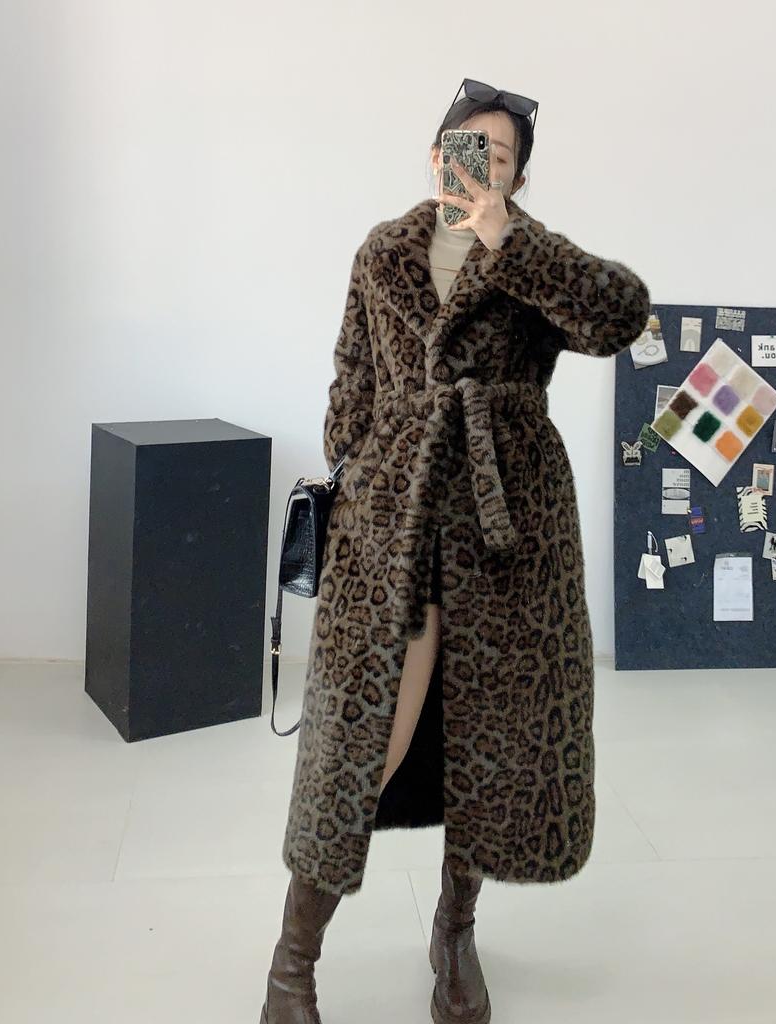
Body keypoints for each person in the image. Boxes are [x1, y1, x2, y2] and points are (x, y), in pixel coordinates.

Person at [261, 79, 650, 1024]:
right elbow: (352, 376)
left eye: (500, 157)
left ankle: (454, 933)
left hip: (504, 527)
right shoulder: (382, 251)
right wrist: (356, 467)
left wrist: (509, 238)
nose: (479, 166)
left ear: (515, 177)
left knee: (488, 740)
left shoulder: (530, 256)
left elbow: (623, 314)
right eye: (466, 147)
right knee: (362, 744)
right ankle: (291, 969)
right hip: (392, 527)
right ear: (437, 153)